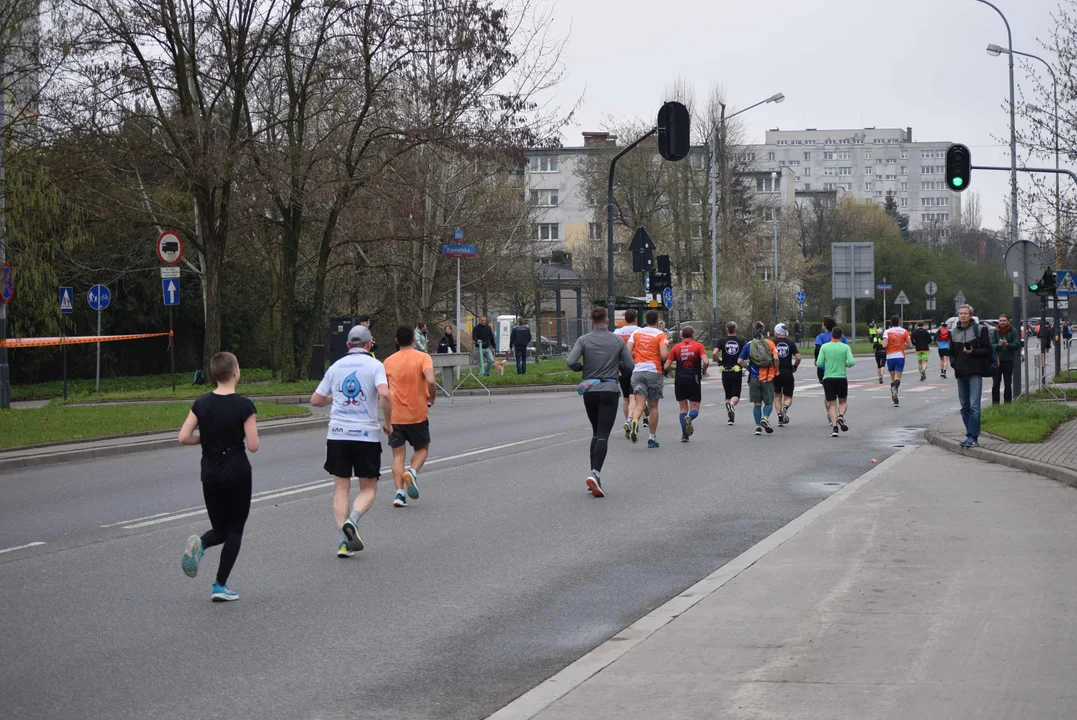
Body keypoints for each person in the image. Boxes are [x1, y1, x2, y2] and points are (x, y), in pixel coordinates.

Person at [179, 352, 260, 602]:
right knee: (235, 530)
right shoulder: (244, 406)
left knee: (220, 529)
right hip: (236, 471)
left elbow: (183, 437)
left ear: (214, 374)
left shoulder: (201, 403)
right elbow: (254, 445)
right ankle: (219, 585)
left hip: (210, 474)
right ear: (235, 371)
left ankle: (201, 545)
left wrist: (206, 438)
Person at [309, 325, 392, 558]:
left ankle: (343, 542)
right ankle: (353, 522)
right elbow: (385, 394)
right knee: (368, 487)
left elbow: (315, 400)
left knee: (341, 488)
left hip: (337, 434)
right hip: (365, 435)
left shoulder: (335, 367)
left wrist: (333, 398)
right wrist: (388, 422)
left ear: (348, 345)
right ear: (369, 345)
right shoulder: (376, 366)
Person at [567, 306, 635, 496]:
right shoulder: (617, 341)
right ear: (607, 321)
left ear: (592, 322)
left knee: (596, 432)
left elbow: (571, 362)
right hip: (609, 390)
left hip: (589, 390)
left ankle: (594, 476)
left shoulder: (584, 340)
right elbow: (630, 365)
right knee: (603, 434)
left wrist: (581, 367)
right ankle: (595, 474)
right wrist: (618, 366)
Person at [383, 325, 436, 508]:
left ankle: (399, 494)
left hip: (395, 415)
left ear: (396, 341)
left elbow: (384, 390)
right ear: (414, 340)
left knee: (398, 455)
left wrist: (385, 417)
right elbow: (430, 380)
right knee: (422, 448)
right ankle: (412, 472)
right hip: (417, 414)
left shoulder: (388, 362)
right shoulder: (423, 357)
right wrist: (432, 397)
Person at [949, 304, 992, 448]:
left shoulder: (979, 329)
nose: (962, 316)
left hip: (975, 372)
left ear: (970, 316)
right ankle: (970, 434)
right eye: (960, 313)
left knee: (974, 406)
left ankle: (973, 436)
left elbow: (987, 350)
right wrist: (954, 364)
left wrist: (973, 352)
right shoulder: (954, 332)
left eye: (965, 314)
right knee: (964, 407)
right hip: (961, 372)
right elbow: (952, 352)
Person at [627, 309, 669, 448]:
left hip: (638, 371)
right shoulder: (661, 334)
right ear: (657, 321)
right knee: (653, 406)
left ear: (645, 320)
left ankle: (634, 421)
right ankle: (651, 438)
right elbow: (663, 355)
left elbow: (627, 352)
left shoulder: (636, 333)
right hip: (653, 371)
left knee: (639, 404)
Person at [664, 326, 709, 442]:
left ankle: (685, 435)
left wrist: (676, 368)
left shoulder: (676, 347)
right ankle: (691, 417)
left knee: (683, 407)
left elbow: (666, 366)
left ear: (681, 335)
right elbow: (706, 361)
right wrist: (704, 370)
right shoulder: (698, 346)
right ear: (693, 335)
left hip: (679, 379)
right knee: (694, 407)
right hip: (693, 378)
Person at [738, 321, 779, 436]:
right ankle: (765, 418)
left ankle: (757, 427)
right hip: (768, 377)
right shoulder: (770, 343)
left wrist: (748, 368)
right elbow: (776, 358)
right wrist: (776, 369)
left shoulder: (748, 345)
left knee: (757, 403)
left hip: (754, 377)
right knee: (769, 401)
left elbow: (739, 361)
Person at [817, 327, 856, 438]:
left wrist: (827, 363)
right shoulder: (845, 347)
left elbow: (819, 363)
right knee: (843, 401)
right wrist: (845, 364)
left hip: (828, 378)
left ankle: (834, 428)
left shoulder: (825, 347)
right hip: (841, 377)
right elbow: (852, 362)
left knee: (832, 404)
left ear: (831, 336)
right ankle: (841, 415)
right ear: (841, 336)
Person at [614, 309, 641, 434]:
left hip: (623, 367)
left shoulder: (617, 332)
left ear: (625, 319)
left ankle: (627, 421)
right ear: (636, 318)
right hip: (637, 365)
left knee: (626, 398)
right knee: (636, 396)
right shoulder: (639, 331)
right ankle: (633, 418)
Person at [714, 321, 746, 426]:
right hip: (736, 370)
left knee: (727, 395)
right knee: (735, 394)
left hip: (725, 370)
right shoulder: (741, 341)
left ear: (726, 329)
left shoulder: (722, 340)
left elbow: (714, 353)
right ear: (736, 329)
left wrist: (719, 361)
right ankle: (732, 405)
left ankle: (730, 419)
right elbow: (745, 355)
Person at [772, 323, 801, 425]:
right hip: (788, 372)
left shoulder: (772, 343)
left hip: (776, 372)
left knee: (777, 395)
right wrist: (795, 367)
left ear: (777, 332)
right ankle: (785, 407)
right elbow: (798, 357)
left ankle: (780, 416)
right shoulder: (791, 343)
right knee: (788, 396)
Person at [881, 315, 912, 407]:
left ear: (890, 322)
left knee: (892, 377)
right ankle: (895, 391)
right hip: (900, 356)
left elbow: (884, 345)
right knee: (897, 378)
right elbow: (910, 345)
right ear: (899, 322)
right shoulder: (904, 331)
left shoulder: (887, 332)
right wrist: (903, 343)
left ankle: (895, 399)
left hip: (890, 357)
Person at [990, 314, 1021, 405]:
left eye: (1004, 320)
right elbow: (991, 345)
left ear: (1008, 321)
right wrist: (998, 345)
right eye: (1001, 321)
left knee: (1007, 383)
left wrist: (1008, 345)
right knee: (996, 383)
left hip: (1008, 361)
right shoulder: (995, 331)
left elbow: (1017, 344)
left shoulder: (1013, 331)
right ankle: (995, 404)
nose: (1002, 322)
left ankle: (1007, 404)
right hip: (997, 362)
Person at [871, 319, 887, 384]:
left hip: (877, 352)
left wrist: (873, 348)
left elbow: (874, 344)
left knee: (878, 365)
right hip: (883, 352)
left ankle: (879, 376)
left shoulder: (876, 338)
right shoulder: (884, 338)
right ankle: (882, 375)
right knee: (883, 364)